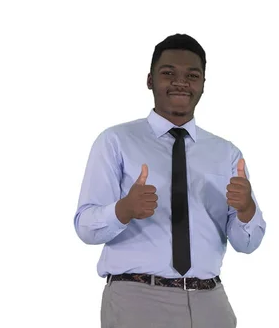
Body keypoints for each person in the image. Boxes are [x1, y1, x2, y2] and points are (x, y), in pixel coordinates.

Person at [73, 33, 266, 328]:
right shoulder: (115, 142)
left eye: (192, 75)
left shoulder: (226, 153)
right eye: (168, 73)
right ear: (150, 80)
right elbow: (85, 226)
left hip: (210, 301)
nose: (181, 82)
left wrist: (246, 210)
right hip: (137, 299)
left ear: (203, 84)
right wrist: (124, 209)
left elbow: (247, 244)